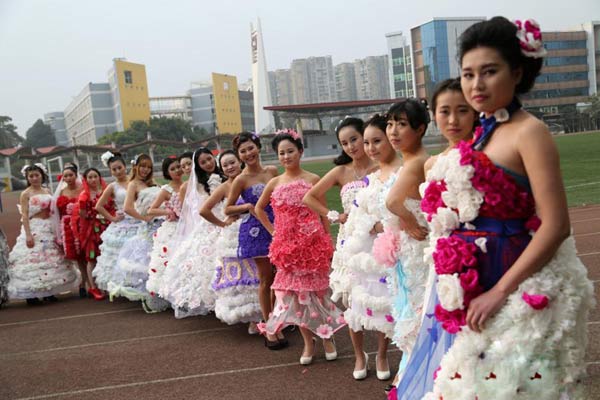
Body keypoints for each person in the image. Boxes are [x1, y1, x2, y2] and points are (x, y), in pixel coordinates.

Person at [394, 17, 594, 399]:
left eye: (489, 71)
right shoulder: (484, 130)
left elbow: (556, 225)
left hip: (517, 288)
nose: (476, 84)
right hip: (477, 287)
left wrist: (500, 291)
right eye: (468, 74)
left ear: (517, 72)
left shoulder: (529, 132)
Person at [386, 78, 477, 396]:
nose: (453, 120)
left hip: (477, 257)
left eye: (462, 110)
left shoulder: (484, 155)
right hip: (440, 258)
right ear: (435, 116)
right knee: (435, 326)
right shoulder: (430, 164)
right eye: (444, 111)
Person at [255, 130, 344, 363]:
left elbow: (323, 212)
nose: (286, 156)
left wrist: (327, 239)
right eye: (281, 153)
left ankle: (327, 337)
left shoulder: (313, 179)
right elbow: (259, 209)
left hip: (312, 245)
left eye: (290, 151)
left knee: (318, 293)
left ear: (300, 152)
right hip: (286, 249)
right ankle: (307, 342)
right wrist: (275, 233)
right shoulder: (275, 182)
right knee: (294, 297)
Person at [340, 115, 402, 380]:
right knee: (355, 303)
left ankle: (382, 353)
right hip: (360, 247)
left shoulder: (403, 171)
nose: (370, 148)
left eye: (376, 141)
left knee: (383, 305)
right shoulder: (372, 177)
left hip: (388, 249)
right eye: (367, 143)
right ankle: (358, 355)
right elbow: (357, 214)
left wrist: (382, 226)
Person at [303, 117, 377, 305]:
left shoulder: (380, 167)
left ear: (364, 136)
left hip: (378, 235)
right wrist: (334, 215)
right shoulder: (340, 172)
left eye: (354, 139)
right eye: (344, 143)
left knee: (380, 290)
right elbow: (309, 197)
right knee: (351, 293)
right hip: (351, 237)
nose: (350, 147)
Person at [224, 132, 287, 349]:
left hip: (278, 226)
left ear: (258, 147)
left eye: (251, 148)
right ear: (239, 156)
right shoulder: (241, 179)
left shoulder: (272, 171)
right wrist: (247, 207)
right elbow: (228, 208)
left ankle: (277, 321)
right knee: (266, 278)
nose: (248, 153)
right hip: (255, 230)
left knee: (280, 277)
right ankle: (269, 328)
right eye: (243, 151)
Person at [201, 150, 262, 331]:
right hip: (235, 234)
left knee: (262, 272)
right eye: (225, 165)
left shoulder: (250, 178)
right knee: (245, 275)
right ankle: (252, 317)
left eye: (232, 162)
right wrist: (222, 224)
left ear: (239, 161)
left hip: (259, 228)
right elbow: (204, 210)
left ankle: (267, 313)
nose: (229, 167)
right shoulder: (224, 187)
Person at [159, 147, 224, 317]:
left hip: (228, 221)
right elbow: (191, 212)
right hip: (209, 225)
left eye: (209, 159)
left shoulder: (225, 176)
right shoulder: (196, 185)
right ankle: (215, 301)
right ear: (198, 166)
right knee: (207, 265)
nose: (208, 164)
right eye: (203, 162)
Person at [7, 163, 80, 304]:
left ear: (42, 176)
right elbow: (25, 216)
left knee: (51, 260)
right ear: (28, 178)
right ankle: (32, 294)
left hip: (49, 228)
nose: (34, 178)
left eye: (37, 175)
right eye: (31, 176)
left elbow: (54, 209)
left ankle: (50, 291)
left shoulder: (47, 191)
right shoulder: (25, 194)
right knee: (34, 260)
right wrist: (28, 235)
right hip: (34, 228)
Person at [108, 154, 166, 313]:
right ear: (136, 167)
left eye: (148, 167)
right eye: (142, 166)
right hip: (149, 227)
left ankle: (162, 294)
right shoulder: (133, 184)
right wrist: (145, 218)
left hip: (162, 225)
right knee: (149, 261)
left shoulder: (153, 183)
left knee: (161, 260)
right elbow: (127, 208)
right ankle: (150, 296)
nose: (145, 169)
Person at [93, 151, 137, 293]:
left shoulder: (135, 181)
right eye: (114, 169)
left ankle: (137, 285)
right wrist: (112, 218)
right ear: (110, 171)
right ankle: (122, 286)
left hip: (139, 220)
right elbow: (98, 206)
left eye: (120, 167)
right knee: (120, 256)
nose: (118, 171)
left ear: (125, 166)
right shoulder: (112, 186)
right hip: (123, 224)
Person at [145, 157, 183, 298]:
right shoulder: (166, 190)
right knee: (172, 260)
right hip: (173, 228)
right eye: (172, 169)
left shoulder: (189, 185)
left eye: (178, 166)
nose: (177, 170)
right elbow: (151, 210)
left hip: (189, 226)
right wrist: (167, 211)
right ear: (167, 173)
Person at [72, 167, 109, 300]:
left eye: (95, 176)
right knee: (91, 258)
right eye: (90, 177)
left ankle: (105, 285)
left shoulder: (106, 191)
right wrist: (95, 216)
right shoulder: (84, 195)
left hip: (107, 228)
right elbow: (82, 214)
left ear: (100, 177)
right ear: (86, 180)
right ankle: (93, 287)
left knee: (106, 256)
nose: (93, 180)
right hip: (91, 231)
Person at [51, 163, 85, 297]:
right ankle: (83, 283)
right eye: (66, 176)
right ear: (62, 178)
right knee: (78, 258)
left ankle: (89, 284)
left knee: (87, 256)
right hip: (68, 227)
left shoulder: (83, 189)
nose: (68, 178)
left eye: (71, 175)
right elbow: (56, 213)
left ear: (76, 175)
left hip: (82, 224)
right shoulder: (61, 192)